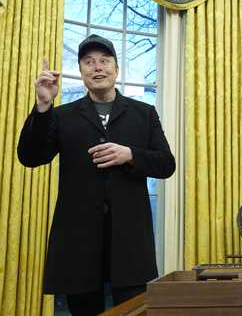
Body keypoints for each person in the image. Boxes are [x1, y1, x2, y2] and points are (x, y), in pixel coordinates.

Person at [17, 34, 176, 315]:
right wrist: (43, 106)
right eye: (89, 62)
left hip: (130, 243)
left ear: (116, 69)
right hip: (78, 244)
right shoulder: (61, 115)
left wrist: (131, 155)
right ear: (81, 72)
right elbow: (30, 157)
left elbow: (166, 164)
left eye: (104, 61)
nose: (97, 67)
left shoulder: (144, 114)